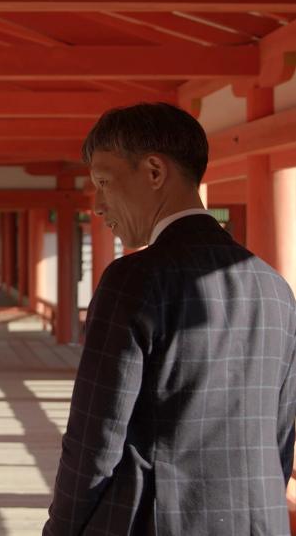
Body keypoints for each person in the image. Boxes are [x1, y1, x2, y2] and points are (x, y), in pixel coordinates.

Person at [43, 103, 296, 535]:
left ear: (154, 171)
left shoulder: (134, 279)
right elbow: (282, 436)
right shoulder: (274, 286)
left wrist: (61, 529)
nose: (98, 205)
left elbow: (95, 439)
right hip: (258, 521)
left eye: (104, 182)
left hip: (157, 520)